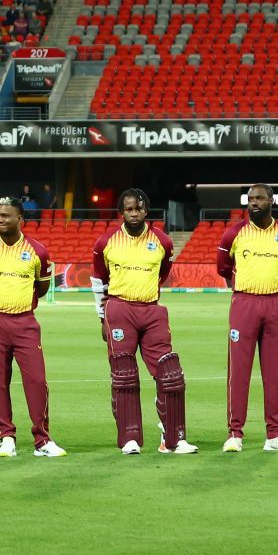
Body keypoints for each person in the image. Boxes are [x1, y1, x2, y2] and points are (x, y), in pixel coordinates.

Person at [93, 189, 196, 455]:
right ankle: (130, 438)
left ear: (146, 211)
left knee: (170, 374)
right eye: (129, 209)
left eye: (139, 209)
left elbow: (163, 273)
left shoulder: (163, 241)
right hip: (119, 308)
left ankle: (173, 440)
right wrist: (102, 316)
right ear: (122, 212)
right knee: (124, 375)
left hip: (151, 309)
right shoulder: (106, 242)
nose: (134, 213)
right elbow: (98, 281)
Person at [0, 199, 63, 458]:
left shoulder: (37, 251)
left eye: (6, 216)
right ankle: (6, 437)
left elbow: (41, 288)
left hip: (25, 322)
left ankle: (42, 440)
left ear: (20, 218)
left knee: (36, 380)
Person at [215, 184, 278, 453]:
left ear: (271, 201)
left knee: (275, 373)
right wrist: (242, 289)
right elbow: (222, 267)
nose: (254, 203)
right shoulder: (234, 233)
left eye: (260, 198)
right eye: (250, 199)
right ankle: (235, 434)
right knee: (239, 371)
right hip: (244, 304)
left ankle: (274, 435)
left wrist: (276, 295)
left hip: (276, 304)